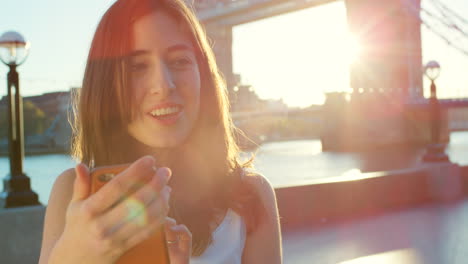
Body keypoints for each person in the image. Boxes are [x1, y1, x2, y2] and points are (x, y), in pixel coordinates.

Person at [38, 0, 282, 263]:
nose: (163, 85)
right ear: (105, 86)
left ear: (204, 75)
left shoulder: (250, 195)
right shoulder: (72, 194)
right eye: (137, 66)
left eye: (180, 61)